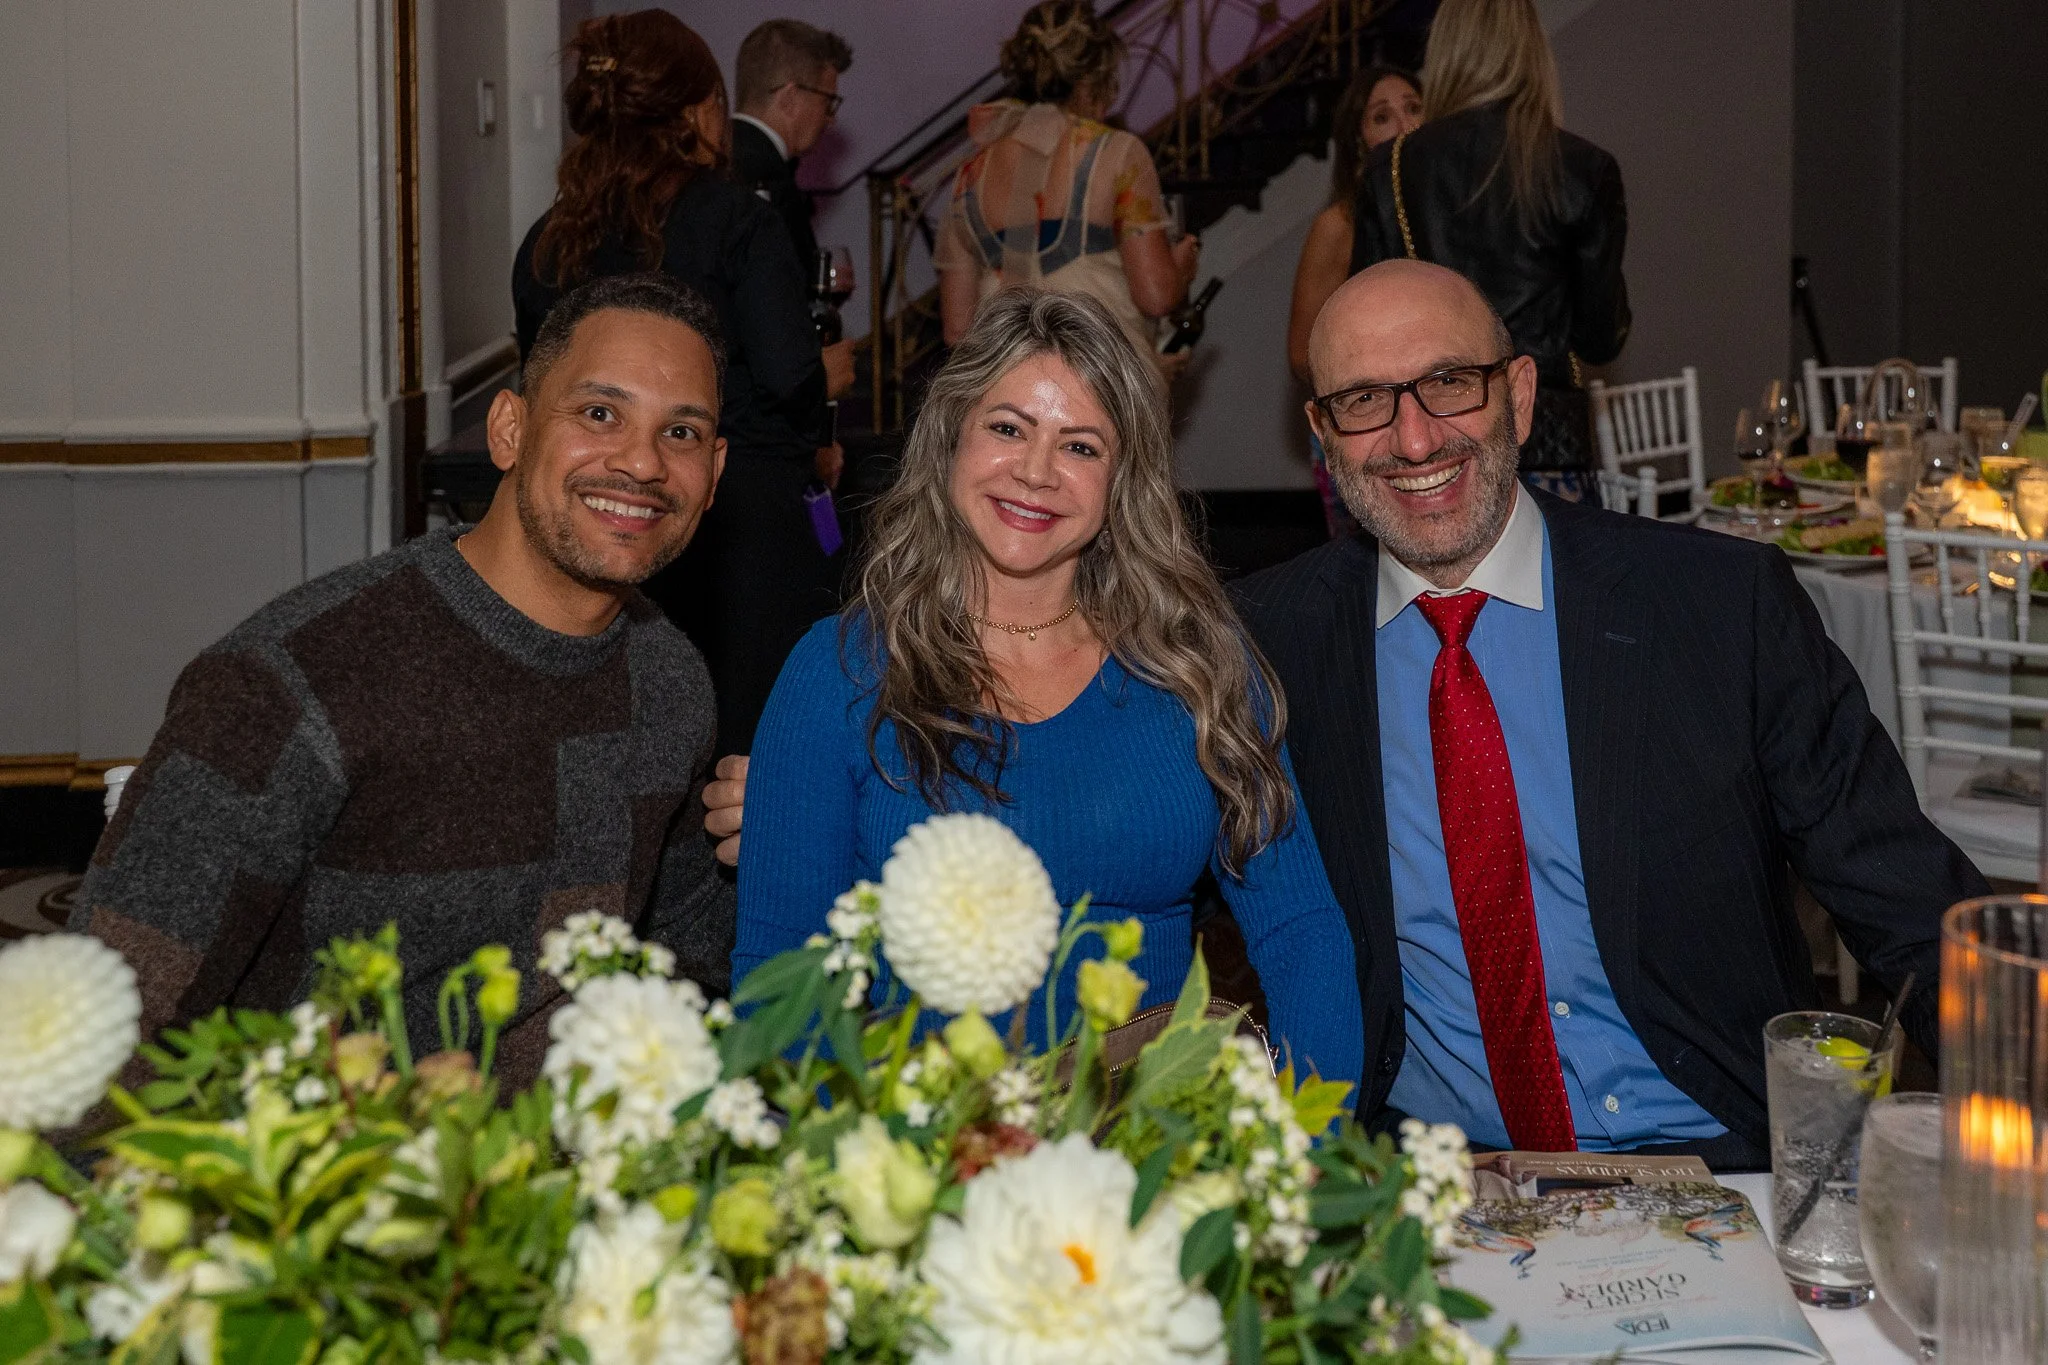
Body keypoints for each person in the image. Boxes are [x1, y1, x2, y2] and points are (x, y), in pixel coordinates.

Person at [1232, 258, 1984, 1163]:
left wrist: (2018, 1083)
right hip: (1429, 1176)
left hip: (1715, 1154)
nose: (1415, 438)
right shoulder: (1265, 641)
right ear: (1321, 434)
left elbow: (1910, 904)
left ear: (1518, 395)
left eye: (1450, 382)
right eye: (1363, 401)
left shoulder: (1719, 606)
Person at [75, 273, 740, 1084]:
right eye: (599, 413)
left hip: (564, 1147)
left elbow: (685, 957)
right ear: (510, 430)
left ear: (714, 472)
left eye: (681, 432)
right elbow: (104, 1035)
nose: (641, 461)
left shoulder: (668, 679)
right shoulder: (294, 682)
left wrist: (790, 838)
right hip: (317, 1151)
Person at [731, 289, 1363, 1085]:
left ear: (1122, 480)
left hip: (1150, 1134)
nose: (1035, 472)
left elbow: (1302, 932)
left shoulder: (1197, 664)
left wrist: (1308, 1140)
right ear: (951, 437)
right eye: (1008, 428)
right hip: (918, 1138)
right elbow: (780, 984)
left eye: (1080, 446)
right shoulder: (840, 670)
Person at [513, 9, 843, 759]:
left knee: (610, 733)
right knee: (753, 745)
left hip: (596, 525)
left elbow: (543, 387)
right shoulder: (735, 223)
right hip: (738, 526)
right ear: (699, 111)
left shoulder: (548, 239)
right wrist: (825, 379)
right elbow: (790, 376)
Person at [1348, 0, 1628, 503]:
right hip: (1545, 435)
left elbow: (1366, 333)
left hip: (1429, 437)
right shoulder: (1583, 168)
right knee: (1550, 557)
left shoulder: (1391, 168)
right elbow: (1600, 340)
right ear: (1533, 54)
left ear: (1444, 52)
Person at [934, 0, 1199, 370]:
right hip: (1100, 383)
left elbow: (958, 330)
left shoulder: (970, 175)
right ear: (1092, 80)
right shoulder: (1116, 152)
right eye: (1109, 84)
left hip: (1015, 384)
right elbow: (1155, 295)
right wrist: (1181, 268)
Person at [1288, 64, 1423, 536]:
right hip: (1363, 429)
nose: (1404, 124)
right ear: (1357, 140)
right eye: (1382, 117)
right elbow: (1301, 355)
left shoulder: (1450, 215)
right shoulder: (1339, 225)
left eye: (1414, 108)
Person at [730, 18, 858, 489]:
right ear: (790, 96)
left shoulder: (716, 159)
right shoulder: (765, 181)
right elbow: (773, 326)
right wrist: (813, 429)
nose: (831, 118)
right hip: (764, 430)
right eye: (829, 101)